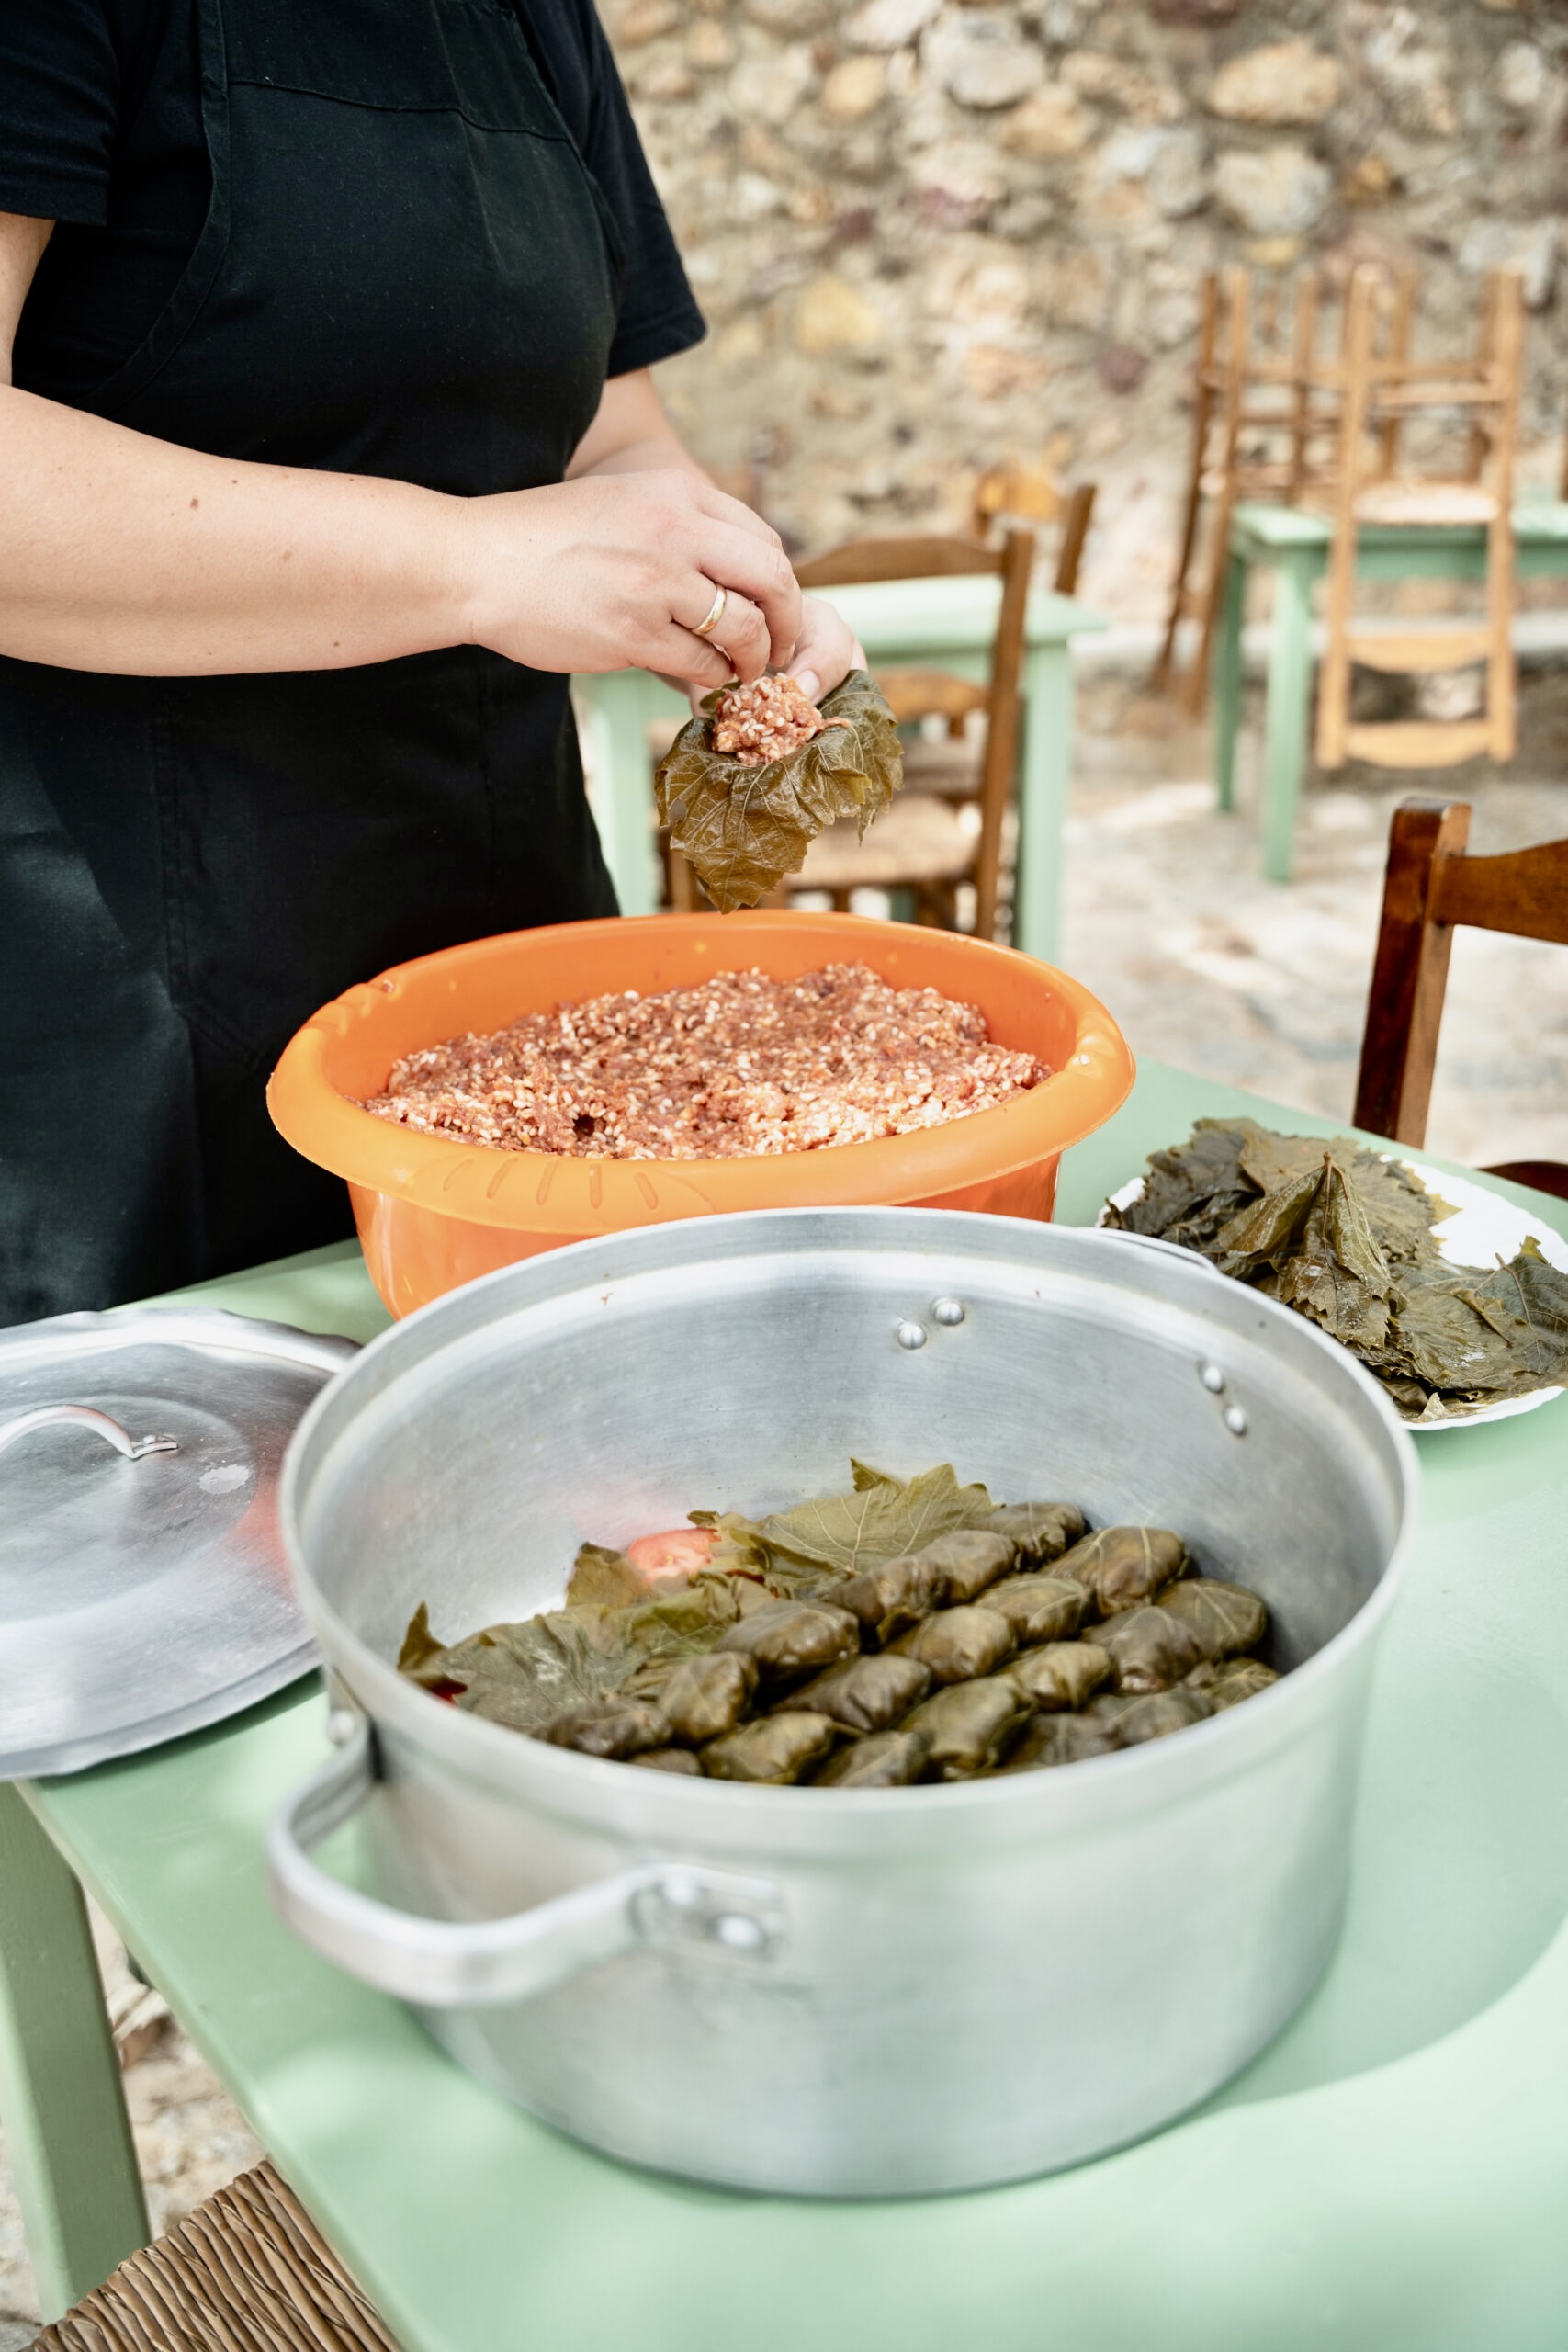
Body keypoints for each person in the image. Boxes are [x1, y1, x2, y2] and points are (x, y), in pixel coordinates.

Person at [0, 0, 860, 1328]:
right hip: (124, 1013)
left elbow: (615, 437)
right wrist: (479, 565)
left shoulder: (537, 20)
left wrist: (735, 595)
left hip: (509, 947)